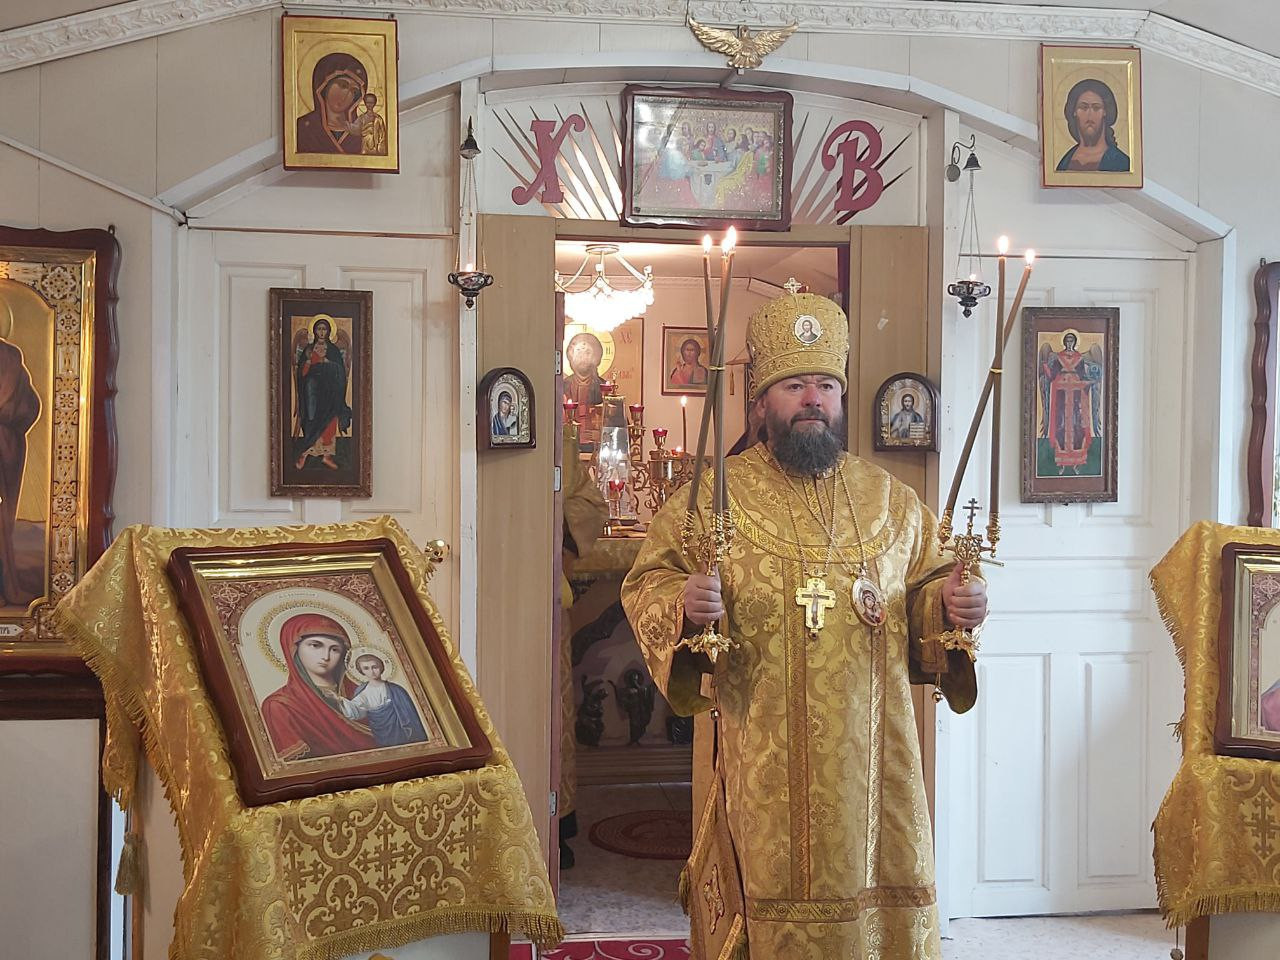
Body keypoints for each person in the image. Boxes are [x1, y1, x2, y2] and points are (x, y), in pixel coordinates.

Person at [621, 291, 986, 959]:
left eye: (825, 385)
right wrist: (683, 606)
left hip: (874, 766)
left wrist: (951, 607)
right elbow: (650, 581)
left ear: (841, 397)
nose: (813, 399)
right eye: (794, 386)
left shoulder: (890, 501)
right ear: (762, 402)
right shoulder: (711, 497)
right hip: (759, 756)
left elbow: (928, 588)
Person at [557, 421, 608, 868]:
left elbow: (590, 503)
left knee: (553, 706)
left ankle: (557, 823)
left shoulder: (564, 441)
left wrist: (564, 545)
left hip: (548, 588)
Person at [261, 613, 377, 761]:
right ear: (293, 648)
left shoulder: (365, 693)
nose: (325, 656)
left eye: (335, 649)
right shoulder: (280, 706)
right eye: (315, 645)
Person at [0, 295, 39, 606]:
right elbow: (28, 406)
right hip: (5, 444)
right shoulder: (11, 357)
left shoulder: (10, 358)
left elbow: (29, 406)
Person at [1038, 331, 1103, 474]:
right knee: (1060, 425)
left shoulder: (1080, 358)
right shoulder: (1058, 358)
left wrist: (1091, 380)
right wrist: (1045, 367)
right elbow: (1052, 376)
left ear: (1074, 343)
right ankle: (1061, 463)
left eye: (1071, 341)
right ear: (1064, 342)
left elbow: (1083, 375)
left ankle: (1076, 463)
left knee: (1077, 425)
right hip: (1061, 395)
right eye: (1067, 341)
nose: (1069, 343)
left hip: (1077, 395)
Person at [294, 315, 351, 471]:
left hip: (329, 392)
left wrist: (326, 362)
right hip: (312, 394)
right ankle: (305, 454)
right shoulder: (308, 349)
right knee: (311, 419)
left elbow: (340, 371)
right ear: (314, 331)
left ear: (328, 331)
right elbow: (302, 374)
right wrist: (308, 363)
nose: (321, 332)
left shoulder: (333, 350)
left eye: (324, 329)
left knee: (331, 417)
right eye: (318, 329)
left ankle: (327, 456)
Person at [342, 653, 428, 748]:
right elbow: (356, 710)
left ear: (381, 667)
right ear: (361, 671)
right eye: (366, 668)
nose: (372, 671)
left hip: (400, 730)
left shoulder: (396, 690)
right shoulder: (362, 691)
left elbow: (410, 715)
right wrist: (338, 700)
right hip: (379, 732)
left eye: (374, 667)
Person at [295, 52, 374, 155]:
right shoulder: (305, 127)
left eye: (354, 91)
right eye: (343, 85)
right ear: (324, 86)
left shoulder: (362, 131)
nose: (346, 95)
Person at [1055, 78, 1131, 173]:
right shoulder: (1065, 162)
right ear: (1074, 112)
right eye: (1083, 107)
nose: (1090, 114)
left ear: (1105, 112)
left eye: (1096, 108)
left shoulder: (1120, 162)